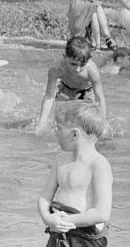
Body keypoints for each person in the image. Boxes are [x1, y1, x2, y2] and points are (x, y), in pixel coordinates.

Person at [37, 100, 112, 247]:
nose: (55, 132)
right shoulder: (60, 160)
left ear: (74, 135)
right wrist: (48, 218)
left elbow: (102, 213)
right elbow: (44, 197)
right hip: (59, 232)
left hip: (85, 236)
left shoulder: (98, 165)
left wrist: (66, 221)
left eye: (58, 128)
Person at [36, 36, 107, 134]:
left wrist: (102, 123)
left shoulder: (92, 71)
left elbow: (99, 98)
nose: (77, 69)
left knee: (87, 128)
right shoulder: (56, 69)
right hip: (66, 90)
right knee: (60, 126)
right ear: (65, 56)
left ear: (89, 60)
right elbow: (49, 96)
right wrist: (42, 123)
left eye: (82, 65)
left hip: (86, 92)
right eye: (73, 64)